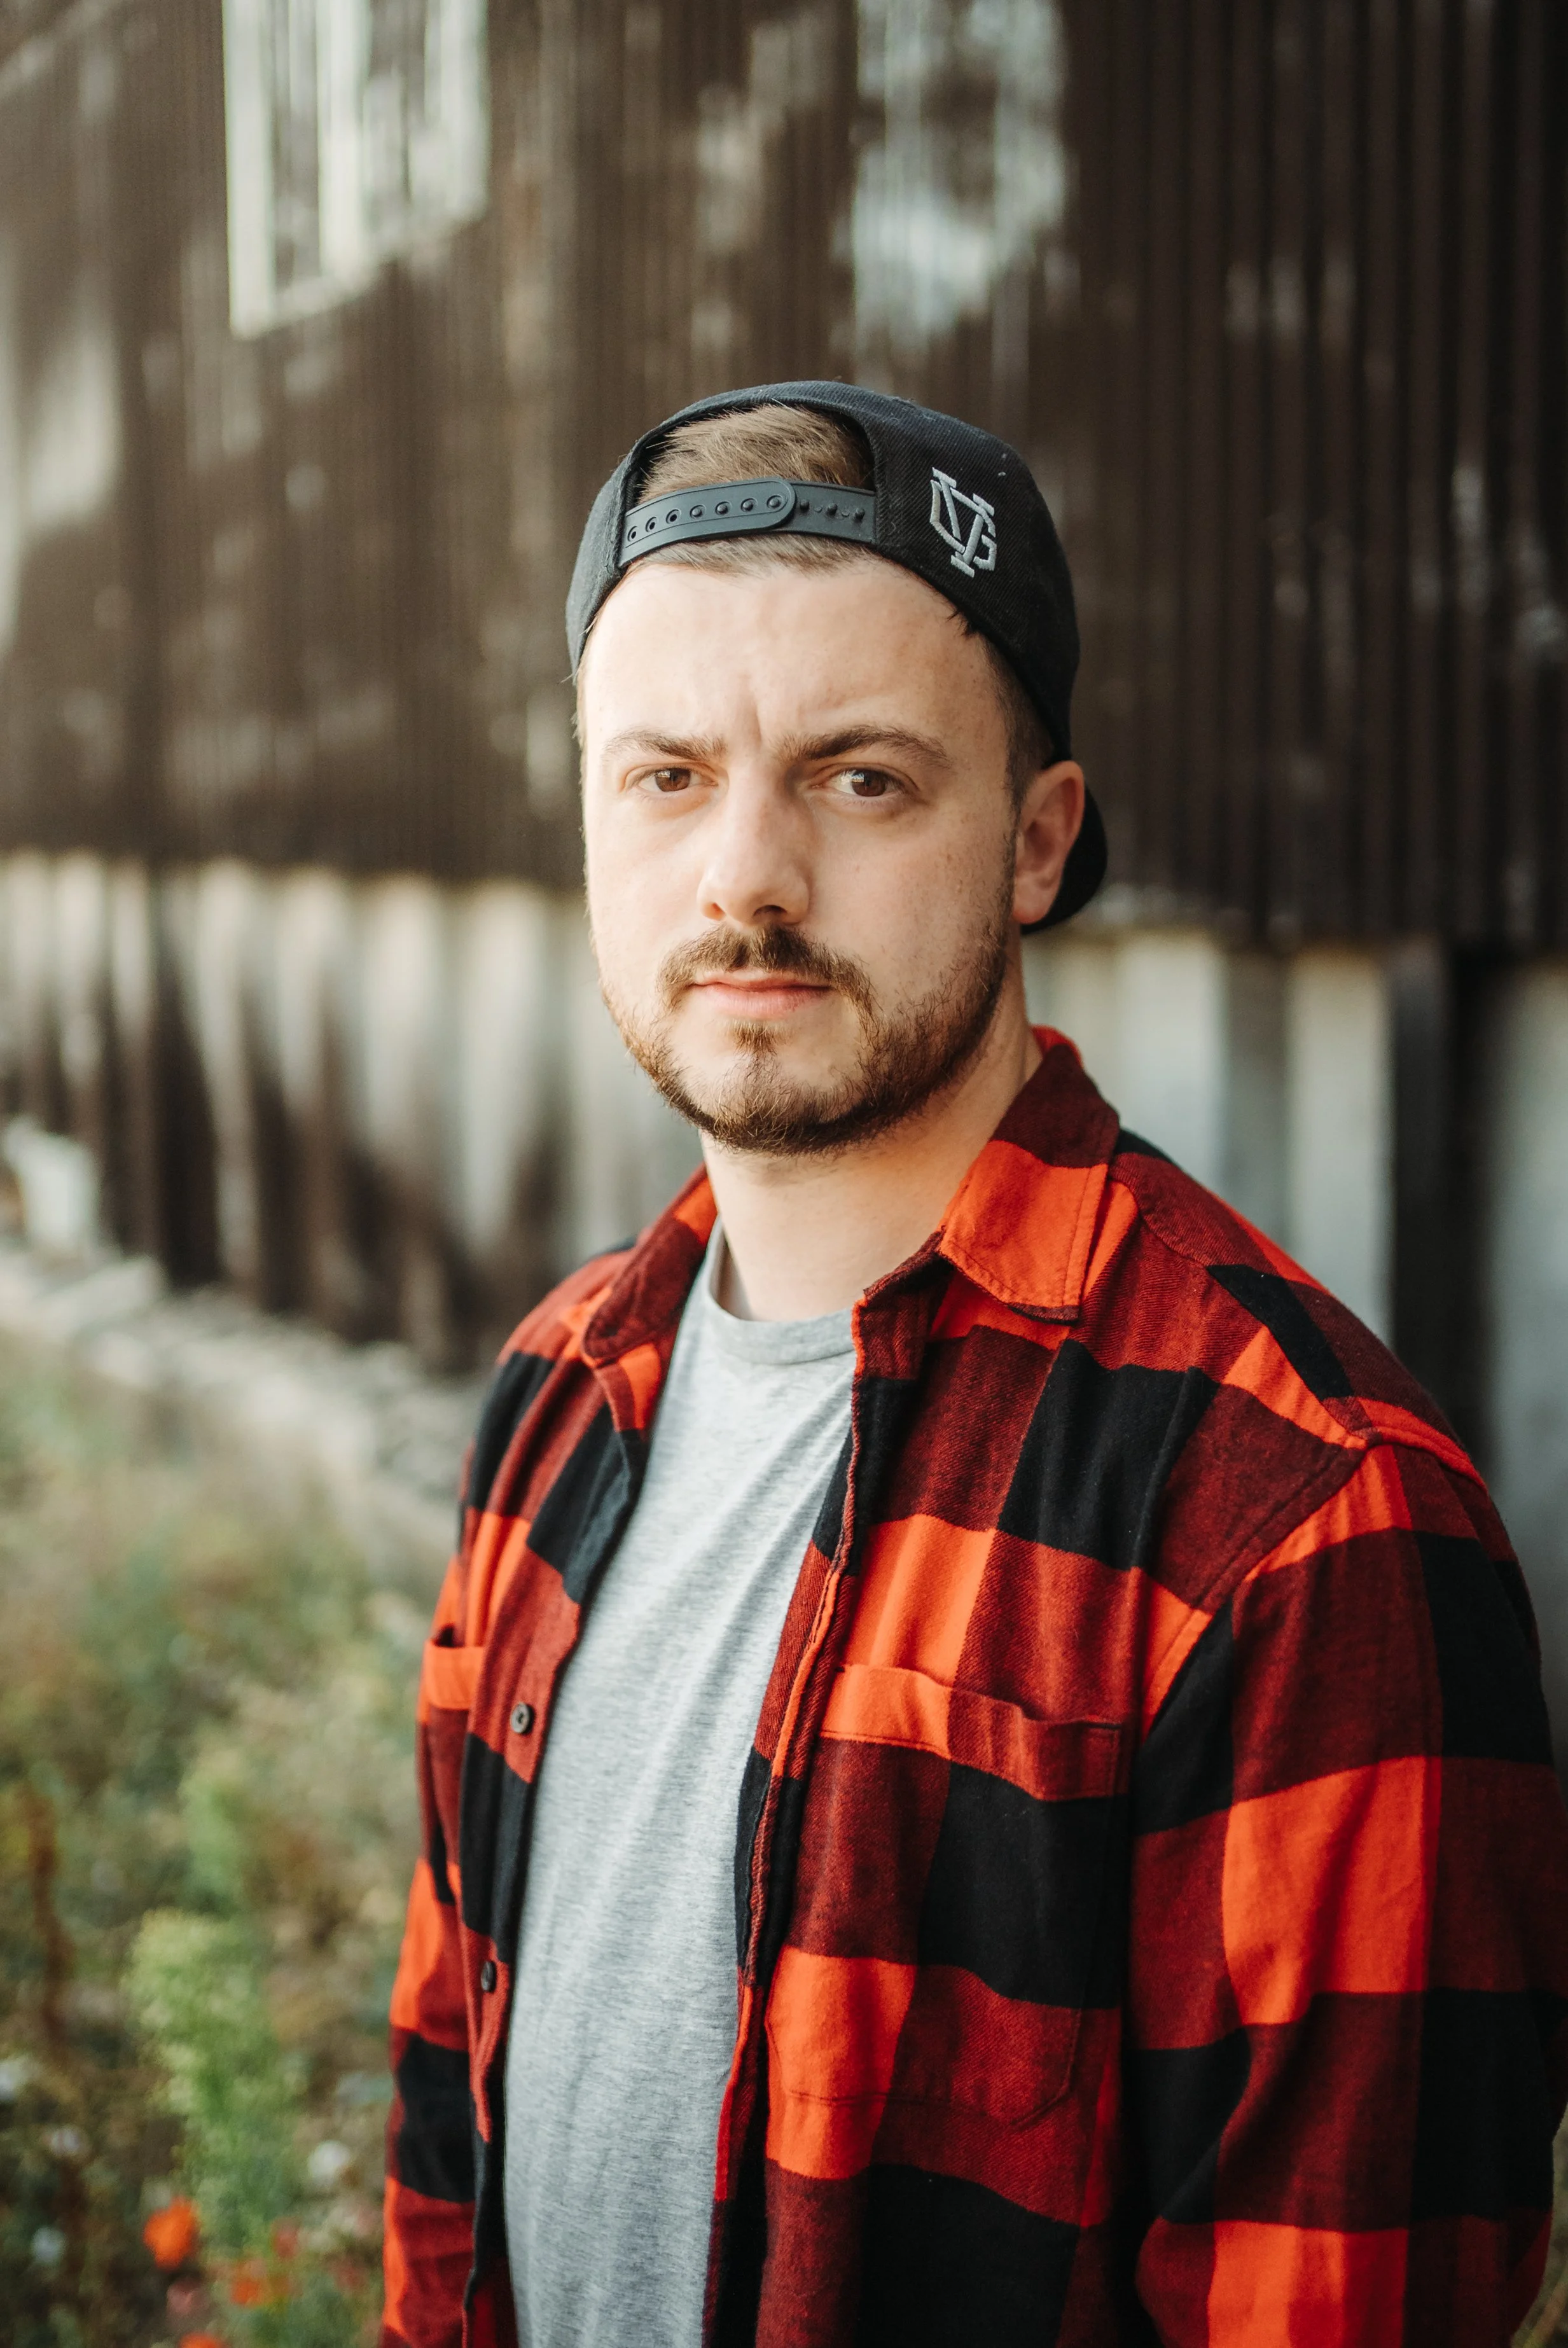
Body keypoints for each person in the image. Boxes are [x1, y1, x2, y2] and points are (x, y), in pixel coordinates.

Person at [381, 384, 1568, 2348]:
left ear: (1038, 840)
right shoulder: (559, 1393)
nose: (742, 879)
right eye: (664, 775)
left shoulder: (1300, 1527)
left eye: (860, 778)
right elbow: (450, 2122)